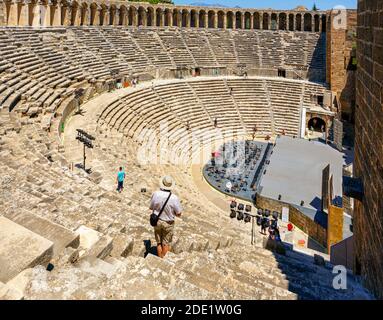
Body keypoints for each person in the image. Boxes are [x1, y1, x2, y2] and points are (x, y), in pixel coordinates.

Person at [149, 175, 182, 258]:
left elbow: (151, 207)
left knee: (159, 242)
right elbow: (179, 213)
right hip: (168, 223)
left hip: (157, 221)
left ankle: (160, 258)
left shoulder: (156, 194)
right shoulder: (174, 198)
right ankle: (163, 259)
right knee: (166, 243)